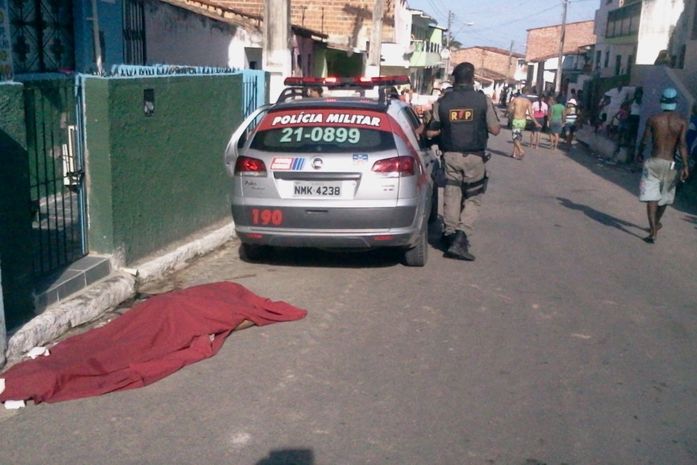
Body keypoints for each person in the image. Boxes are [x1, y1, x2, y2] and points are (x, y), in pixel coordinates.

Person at [426, 62, 501, 261]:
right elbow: (495, 129)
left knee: (452, 193)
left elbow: (431, 131)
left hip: (450, 155)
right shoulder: (482, 100)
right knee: (473, 197)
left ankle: (449, 234)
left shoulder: (443, 101)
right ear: (472, 78)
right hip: (474, 157)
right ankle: (461, 236)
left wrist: (446, 128)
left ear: (454, 79)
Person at [637, 87, 690, 244]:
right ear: (675, 102)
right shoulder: (681, 122)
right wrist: (685, 165)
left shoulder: (653, 119)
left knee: (651, 198)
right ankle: (657, 223)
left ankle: (653, 231)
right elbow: (682, 145)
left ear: (661, 101)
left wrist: (639, 153)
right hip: (671, 164)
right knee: (665, 198)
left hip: (654, 161)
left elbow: (645, 140)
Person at [507, 93, 539, 159]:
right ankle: (514, 153)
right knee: (518, 137)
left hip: (516, 120)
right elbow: (530, 114)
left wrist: (510, 113)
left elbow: (509, 109)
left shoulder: (515, 100)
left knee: (515, 138)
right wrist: (536, 122)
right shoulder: (528, 102)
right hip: (523, 121)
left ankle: (521, 151)